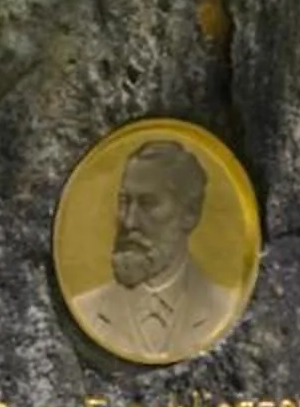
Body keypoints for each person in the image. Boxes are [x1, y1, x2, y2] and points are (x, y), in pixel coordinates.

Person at [69, 139, 240, 363]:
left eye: (148, 204)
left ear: (190, 213)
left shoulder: (223, 307)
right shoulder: (89, 309)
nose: (129, 222)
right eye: (124, 202)